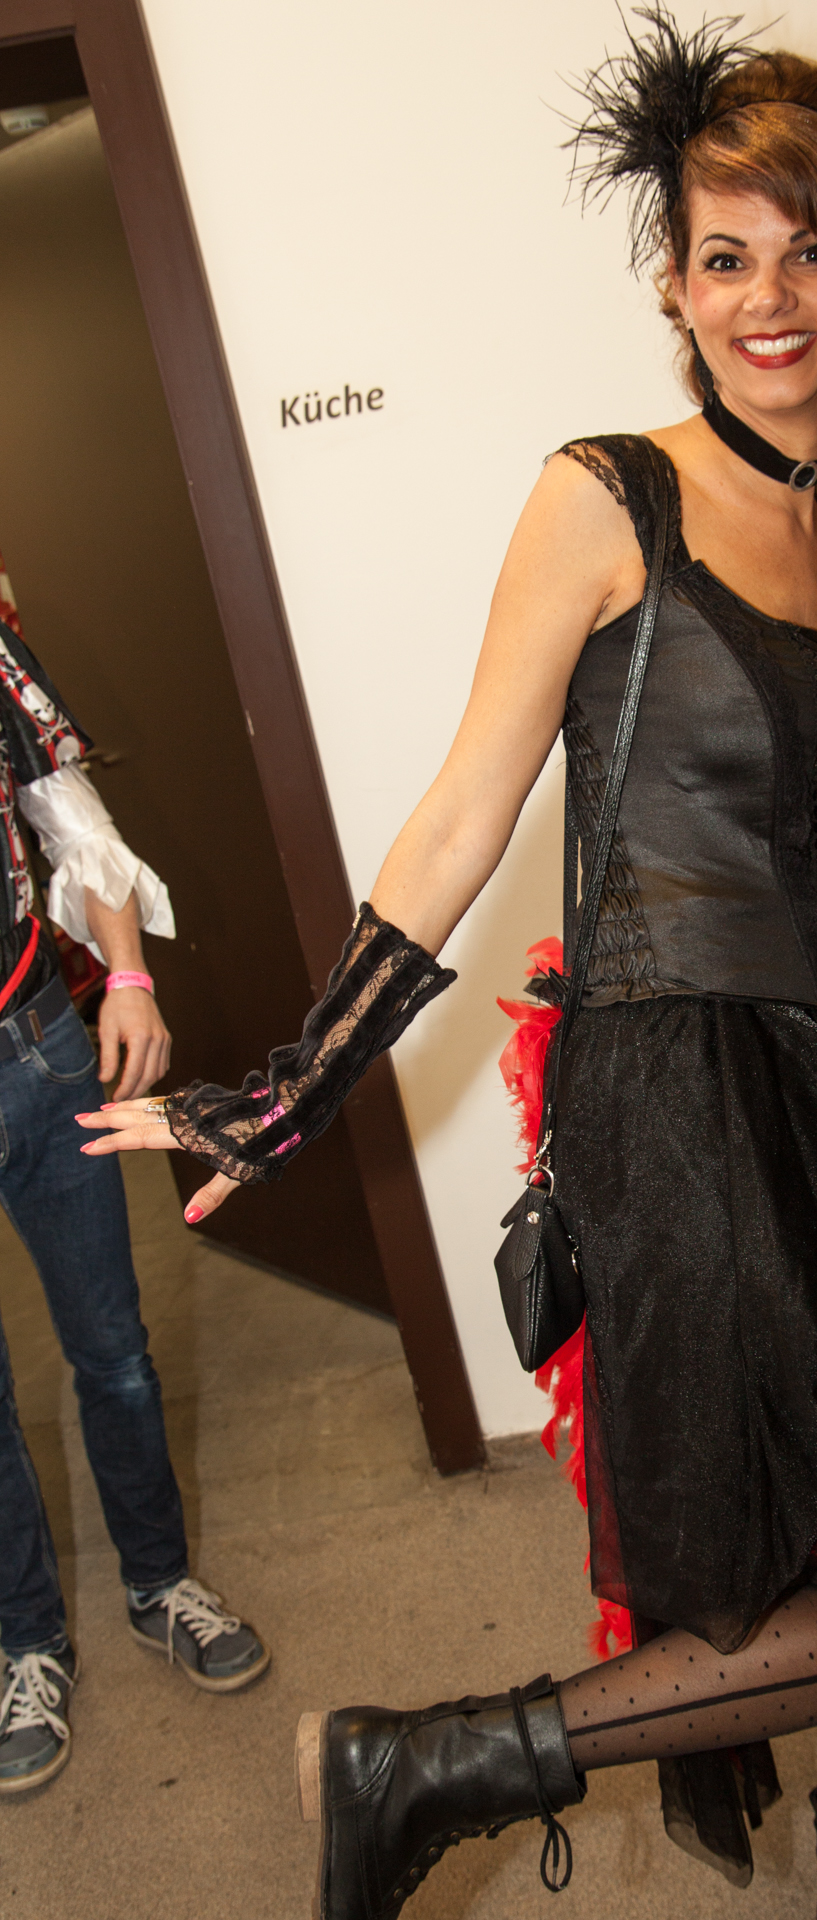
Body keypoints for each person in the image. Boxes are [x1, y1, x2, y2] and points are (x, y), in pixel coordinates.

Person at [80, 18, 817, 1917]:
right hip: (692, 1105)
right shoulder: (607, 493)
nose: (768, 297)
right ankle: (433, 1762)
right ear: (674, 287)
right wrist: (293, 1089)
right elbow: (462, 816)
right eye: (726, 256)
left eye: (808, 250)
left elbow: (807, 861)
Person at [0, 596, 268, 1796]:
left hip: (37, 1049)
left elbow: (70, 818)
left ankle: (160, 1584)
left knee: (112, 1352)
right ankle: (26, 1644)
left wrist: (128, 978)